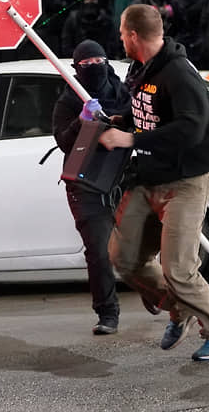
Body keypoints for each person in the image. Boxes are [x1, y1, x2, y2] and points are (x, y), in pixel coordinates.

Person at [99, 4, 209, 362]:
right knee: (123, 257)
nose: (118, 36)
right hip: (147, 178)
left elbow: (192, 128)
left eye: (120, 31)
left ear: (132, 35)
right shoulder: (140, 68)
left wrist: (130, 140)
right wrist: (123, 119)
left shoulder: (179, 73)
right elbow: (147, 108)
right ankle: (178, 307)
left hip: (185, 182)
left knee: (177, 267)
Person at [52, 40, 129, 335]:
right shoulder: (68, 101)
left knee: (135, 249)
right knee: (98, 250)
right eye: (86, 65)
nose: (95, 69)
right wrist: (81, 121)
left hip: (120, 177)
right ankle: (107, 312)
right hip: (85, 184)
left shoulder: (123, 92)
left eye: (99, 62)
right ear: (76, 69)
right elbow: (63, 141)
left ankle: (156, 291)